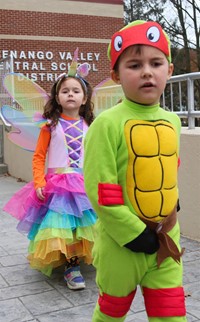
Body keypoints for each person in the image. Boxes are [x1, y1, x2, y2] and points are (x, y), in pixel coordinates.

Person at [83, 20, 187, 321]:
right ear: (116, 75)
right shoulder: (107, 124)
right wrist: (131, 233)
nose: (146, 72)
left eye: (156, 63)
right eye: (134, 64)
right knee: (112, 313)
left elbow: (168, 168)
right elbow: (102, 188)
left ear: (169, 70)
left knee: (171, 313)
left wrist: (173, 207)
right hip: (121, 245)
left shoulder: (174, 121)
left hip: (166, 239)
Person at [3, 52, 96, 290]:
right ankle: (71, 267)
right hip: (58, 185)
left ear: (84, 98)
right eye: (65, 91)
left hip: (83, 184)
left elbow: (97, 157)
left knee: (81, 226)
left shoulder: (91, 127)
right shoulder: (49, 126)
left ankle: (78, 259)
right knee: (62, 226)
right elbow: (39, 156)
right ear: (57, 97)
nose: (70, 94)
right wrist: (38, 182)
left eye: (76, 91)